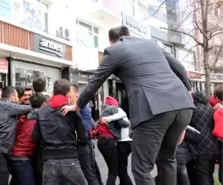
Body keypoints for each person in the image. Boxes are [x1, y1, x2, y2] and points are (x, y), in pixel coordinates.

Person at [61, 26, 194, 185]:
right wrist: (188, 92)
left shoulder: (115, 50)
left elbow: (96, 80)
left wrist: (77, 105)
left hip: (152, 109)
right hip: (183, 105)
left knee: (142, 168)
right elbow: (179, 67)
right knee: (167, 159)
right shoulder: (151, 44)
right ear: (128, 35)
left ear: (111, 41)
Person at [32, 79, 88, 185]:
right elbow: (84, 138)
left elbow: (35, 137)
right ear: (67, 94)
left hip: (49, 160)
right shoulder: (72, 112)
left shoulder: (42, 112)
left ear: (53, 92)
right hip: (70, 158)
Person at [0, 86, 32, 185]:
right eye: (18, 96)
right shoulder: (8, 105)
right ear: (12, 96)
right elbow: (29, 108)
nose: (19, 99)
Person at [10, 93, 47, 185]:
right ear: (43, 104)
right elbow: (36, 139)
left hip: (14, 154)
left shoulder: (23, 117)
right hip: (23, 156)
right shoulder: (38, 119)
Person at [69, 84, 101, 185]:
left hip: (83, 144)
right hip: (72, 146)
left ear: (76, 94)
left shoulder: (84, 107)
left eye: (70, 95)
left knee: (89, 172)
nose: (67, 97)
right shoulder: (67, 107)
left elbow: (85, 127)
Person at [100, 96, 133, 185]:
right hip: (128, 142)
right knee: (120, 169)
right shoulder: (116, 112)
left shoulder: (115, 113)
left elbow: (122, 123)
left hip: (123, 143)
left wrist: (108, 119)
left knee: (120, 171)